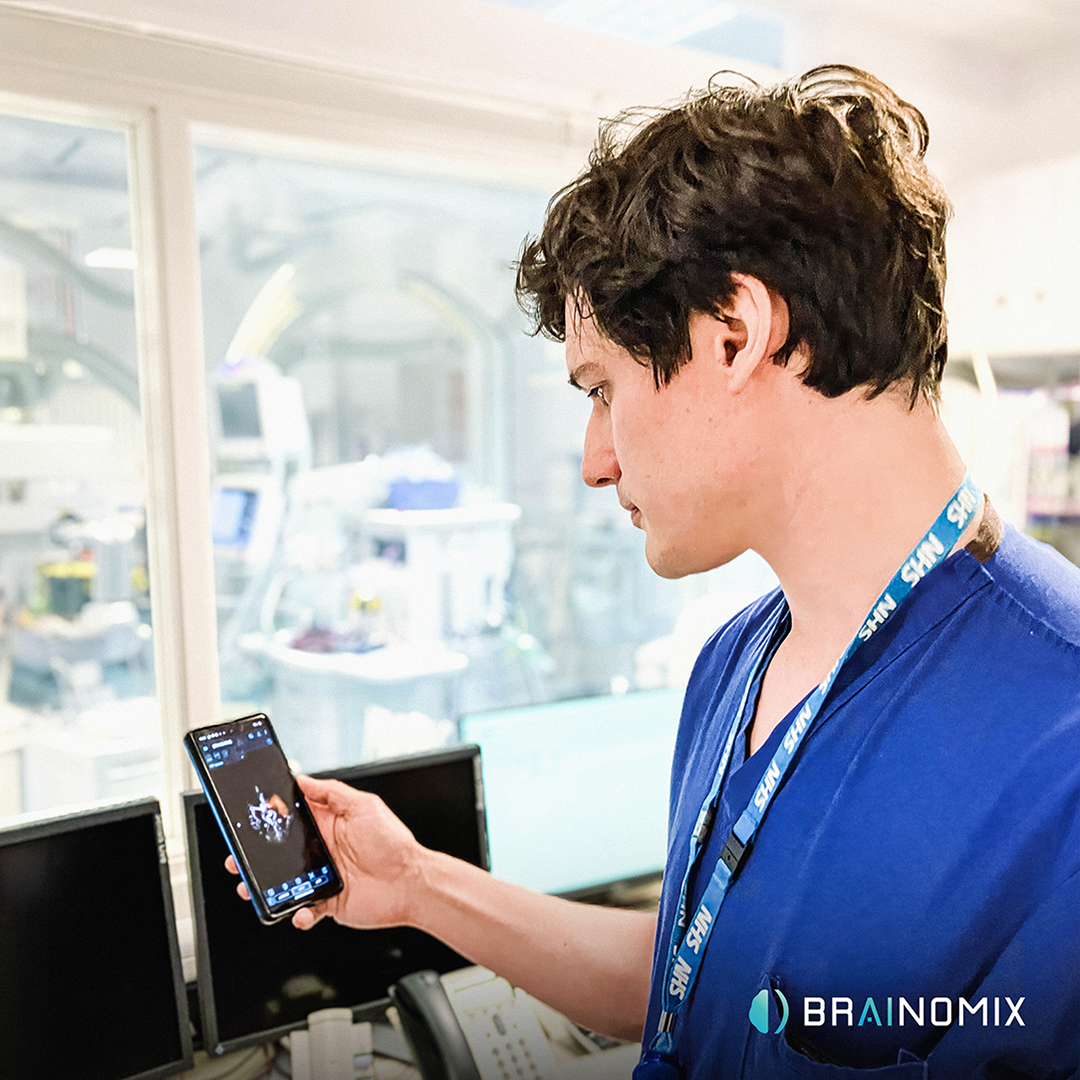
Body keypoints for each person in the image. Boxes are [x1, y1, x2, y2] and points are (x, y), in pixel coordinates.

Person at [229, 66, 1080, 1077]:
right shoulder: (736, 662)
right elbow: (691, 977)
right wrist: (417, 885)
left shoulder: (1057, 745)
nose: (595, 459)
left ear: (733, 334)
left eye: (603, 389)